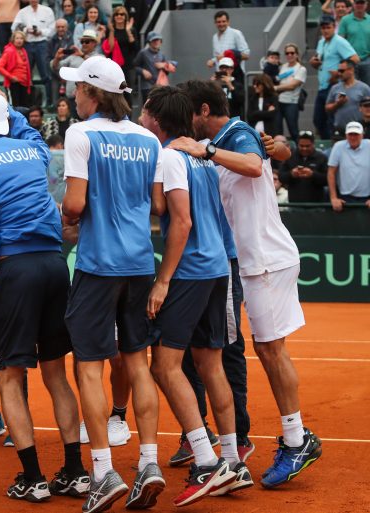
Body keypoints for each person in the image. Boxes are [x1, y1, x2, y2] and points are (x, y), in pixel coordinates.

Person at [171, 79, 323, 491]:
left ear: (204, 110)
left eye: (190, 112)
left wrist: (205, 150)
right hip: (250, 261)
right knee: (264, 348)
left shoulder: (235, 134)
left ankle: (297, 441)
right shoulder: (228, 139)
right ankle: (291, 437)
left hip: (265, 260)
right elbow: (273, 154)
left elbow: (255, 165)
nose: (187, 121)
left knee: (271, 349)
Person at [0, 88, 87, 503]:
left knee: (10, 376)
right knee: (56, 373)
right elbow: (28, 131)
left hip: (13, 272)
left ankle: (32, 477)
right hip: (53, 265)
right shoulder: (33, 151)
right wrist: (8, 107)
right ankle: (75, 471)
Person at [141, 86, 252, 508]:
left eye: (144, 111)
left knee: (164, 366)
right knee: (210, 364)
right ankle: (232, 460)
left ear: (156, 118)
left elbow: (181, 221)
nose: (140, 116)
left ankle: (206, 462)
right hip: (217, 268)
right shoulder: (199, 156)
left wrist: (163, 280)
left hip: (190, 270)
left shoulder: (171, 156)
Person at [59, 55, 162, 511]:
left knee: (88, 367)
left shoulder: (80, 134)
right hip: (140, 264)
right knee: (137, 362)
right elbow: (157, 204)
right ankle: (149, 463)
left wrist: (68, 219)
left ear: (92, 93)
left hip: (98, 265)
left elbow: (75, 204)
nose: (73, 94)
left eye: (78, 88)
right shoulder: (148, 139)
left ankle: (102, 472)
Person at [310, 15, 359, 140]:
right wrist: (314, 62)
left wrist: (339, 73)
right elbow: (319, 60)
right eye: (323, 28)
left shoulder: (339, 41)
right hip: (322, 85)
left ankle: (334, 143)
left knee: (330, 119)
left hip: (335, 85)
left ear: (334, 27)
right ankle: (327, 143)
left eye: (328, 27)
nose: (325, 30)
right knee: (318, 119)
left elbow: (355, 59)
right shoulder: (321, 42)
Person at [11, 0, 54, 107]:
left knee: (46, 74)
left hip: (42, 43)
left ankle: (49, 102)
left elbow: (52, 29)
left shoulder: (47, 11)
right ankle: (27, 102)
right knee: (25, 75)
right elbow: (14, 28)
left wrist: (40, 32)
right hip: (27, 44)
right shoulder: (22, 12)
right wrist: (26, 29)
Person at [278, 131, 329, 206]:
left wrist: (313, 174)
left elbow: (327, 179)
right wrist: (291, 174)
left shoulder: (321, 158)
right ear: (297, 144)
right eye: (301, 146)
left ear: (313, 144)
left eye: (307, 146)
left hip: (317, 204)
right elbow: (281, 177)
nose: (304, 148)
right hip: (294, 204)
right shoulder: (290, 157)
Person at [328, 121, 370, 210]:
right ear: (346, 135)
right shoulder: (338, 146)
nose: (353, 137)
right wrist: (334, 198)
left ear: (362, 135)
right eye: (350, 134)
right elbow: (331, 172)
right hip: (345, 197)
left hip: (367, 197)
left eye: (356, 134)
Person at [52, 29, 100, 102]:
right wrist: (57, 58)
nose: (84, 44)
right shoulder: (74, 56)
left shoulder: (99, 57)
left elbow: (97, 67)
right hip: (71, 98)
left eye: (87, 41)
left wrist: (82, 55)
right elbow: (56, 67)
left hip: (89, 99)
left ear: (94, 43)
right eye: (82, 42)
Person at [326, 59, 370, 135]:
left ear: (351, 70)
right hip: (339, 131)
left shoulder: (364, 88)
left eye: (342, 71)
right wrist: (337, 104)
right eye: (338, 71)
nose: (339, 73)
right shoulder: (335, 88)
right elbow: (327, 108)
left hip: (358, 131)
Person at [274, 43, 307, 138]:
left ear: (297, 54)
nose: (289, 55)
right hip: (279, 101)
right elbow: (278, 80)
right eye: (287, 53)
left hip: (292, 103)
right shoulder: (283, 66)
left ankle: (298, 146)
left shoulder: (301, 68)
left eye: (292, 53)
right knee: (277, 131)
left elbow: (292, 86)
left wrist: (275, 88)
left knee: (293, 130)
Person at [0, 30, 32, 108]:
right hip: (13, 83)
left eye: (21, 38)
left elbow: (27, 68)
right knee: (15, 106)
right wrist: (11, 77)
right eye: (17, 38)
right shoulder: (9, 51)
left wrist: (29, 80)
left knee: (24, 107)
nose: (19, 40)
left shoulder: (23, 51)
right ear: (13, 40)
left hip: (24, 83)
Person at [338, 0, 370, 84]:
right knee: (350, 87)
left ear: (366, 4)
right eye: (357, 3)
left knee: (368, 88)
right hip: (350, 60)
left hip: (367, 60)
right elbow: (340, 40)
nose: (359, 5)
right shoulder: (345, 20)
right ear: (353, 4)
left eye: (362, 3)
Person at [133, 31, 170, 100]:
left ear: (161, 41)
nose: (156, 42)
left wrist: (164, 66)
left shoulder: (162, 54)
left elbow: (167, 72)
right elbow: (134, 67)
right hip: (147, 87)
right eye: (153, 40)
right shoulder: (143, 53)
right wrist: (143, 71)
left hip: (160, 86)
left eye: (158, 40)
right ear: (149, 42)